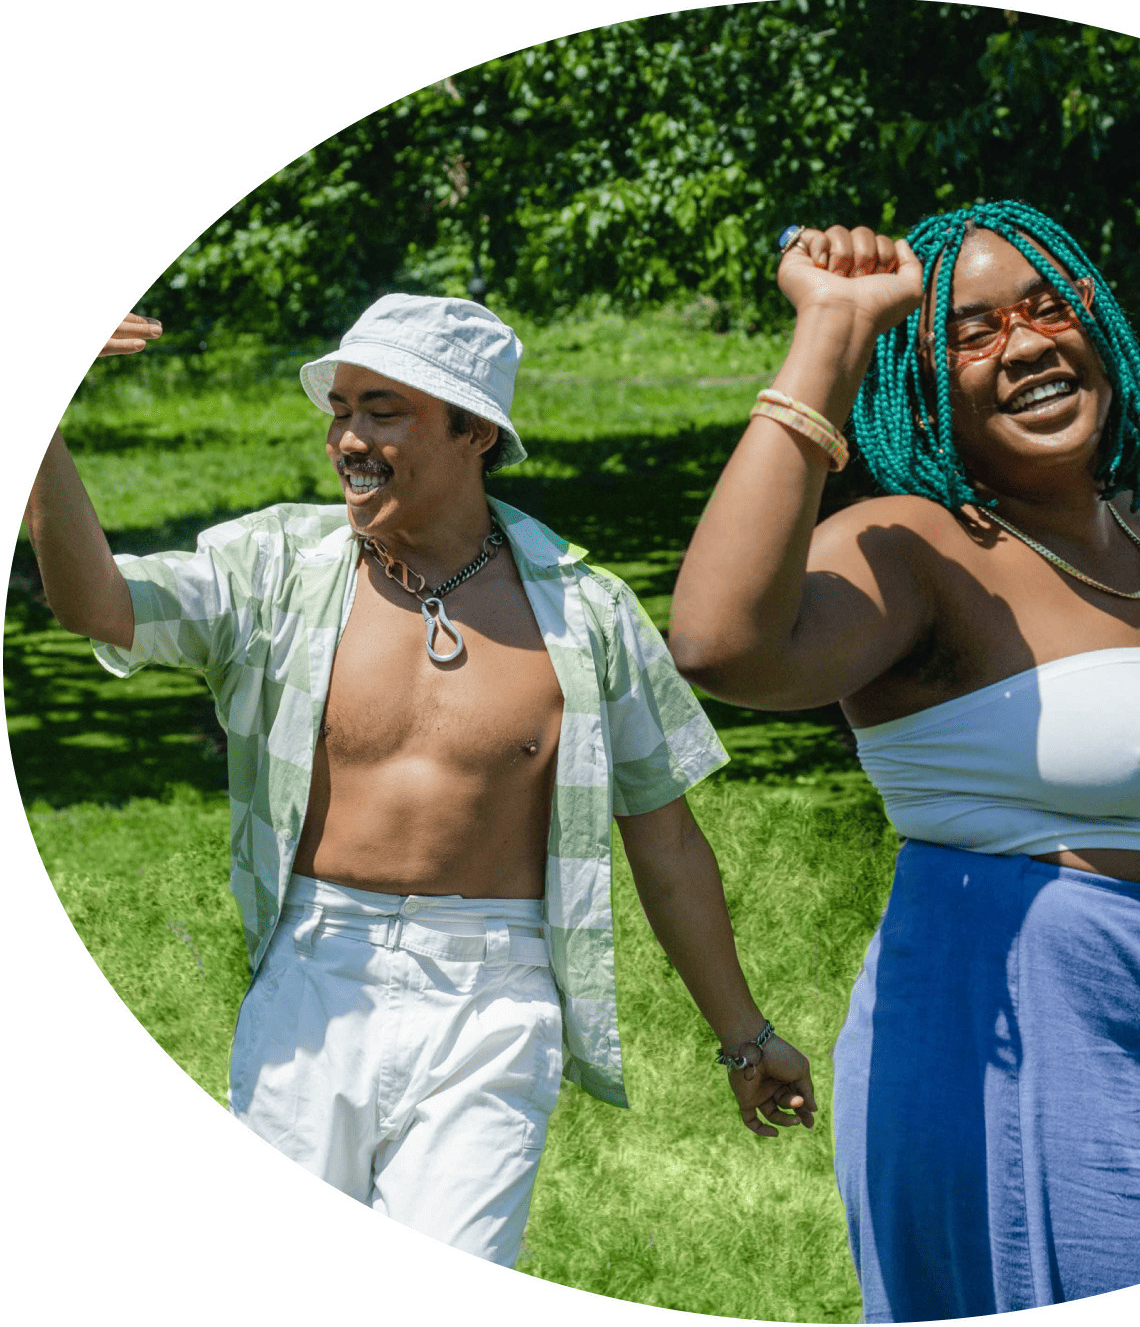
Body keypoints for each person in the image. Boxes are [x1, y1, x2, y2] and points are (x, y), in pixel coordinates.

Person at [666, 202, 1140, 1321]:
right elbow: (720, 646)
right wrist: (832, 332)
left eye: (1051, 308)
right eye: (975, 330)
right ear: (923, 375)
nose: (1031, 345)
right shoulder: (911, 546)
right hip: (1031, 1047)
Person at [25, 296, 815, 1267]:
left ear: (474, 429)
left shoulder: (587, 615)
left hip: (496, 997)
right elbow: (97, 604)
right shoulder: (278, 567)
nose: (347, 438)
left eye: (383, 411)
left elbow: (668, 842)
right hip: (313, 972)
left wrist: (745, 1038)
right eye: (341, 409)